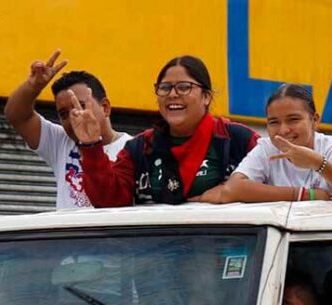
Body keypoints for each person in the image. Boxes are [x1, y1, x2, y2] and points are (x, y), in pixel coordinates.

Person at [69, 55, 259, 206]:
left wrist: (231, 193)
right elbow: (109, 200)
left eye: (185, 87)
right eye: (165, 88)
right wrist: (92, 146)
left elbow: (275, 192)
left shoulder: (237, 140)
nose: (173, 94)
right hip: (156, 252)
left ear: (206, 97)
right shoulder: (140, 148)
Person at [195, 84, 332, 204]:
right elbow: (234, 188)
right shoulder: (266, 148)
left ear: (315, 120)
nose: (283, 130)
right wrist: (306, 195)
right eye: (274, 122)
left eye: (293, 120)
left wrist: (317, 163)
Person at [4, 49, 132, 209]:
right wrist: (33, 86)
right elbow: (16, 115)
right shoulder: (61, 142)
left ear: (105, 107)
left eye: (81, 106)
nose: (73, 118)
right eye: (64, 114)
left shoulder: (134, 149)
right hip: (69, 235)